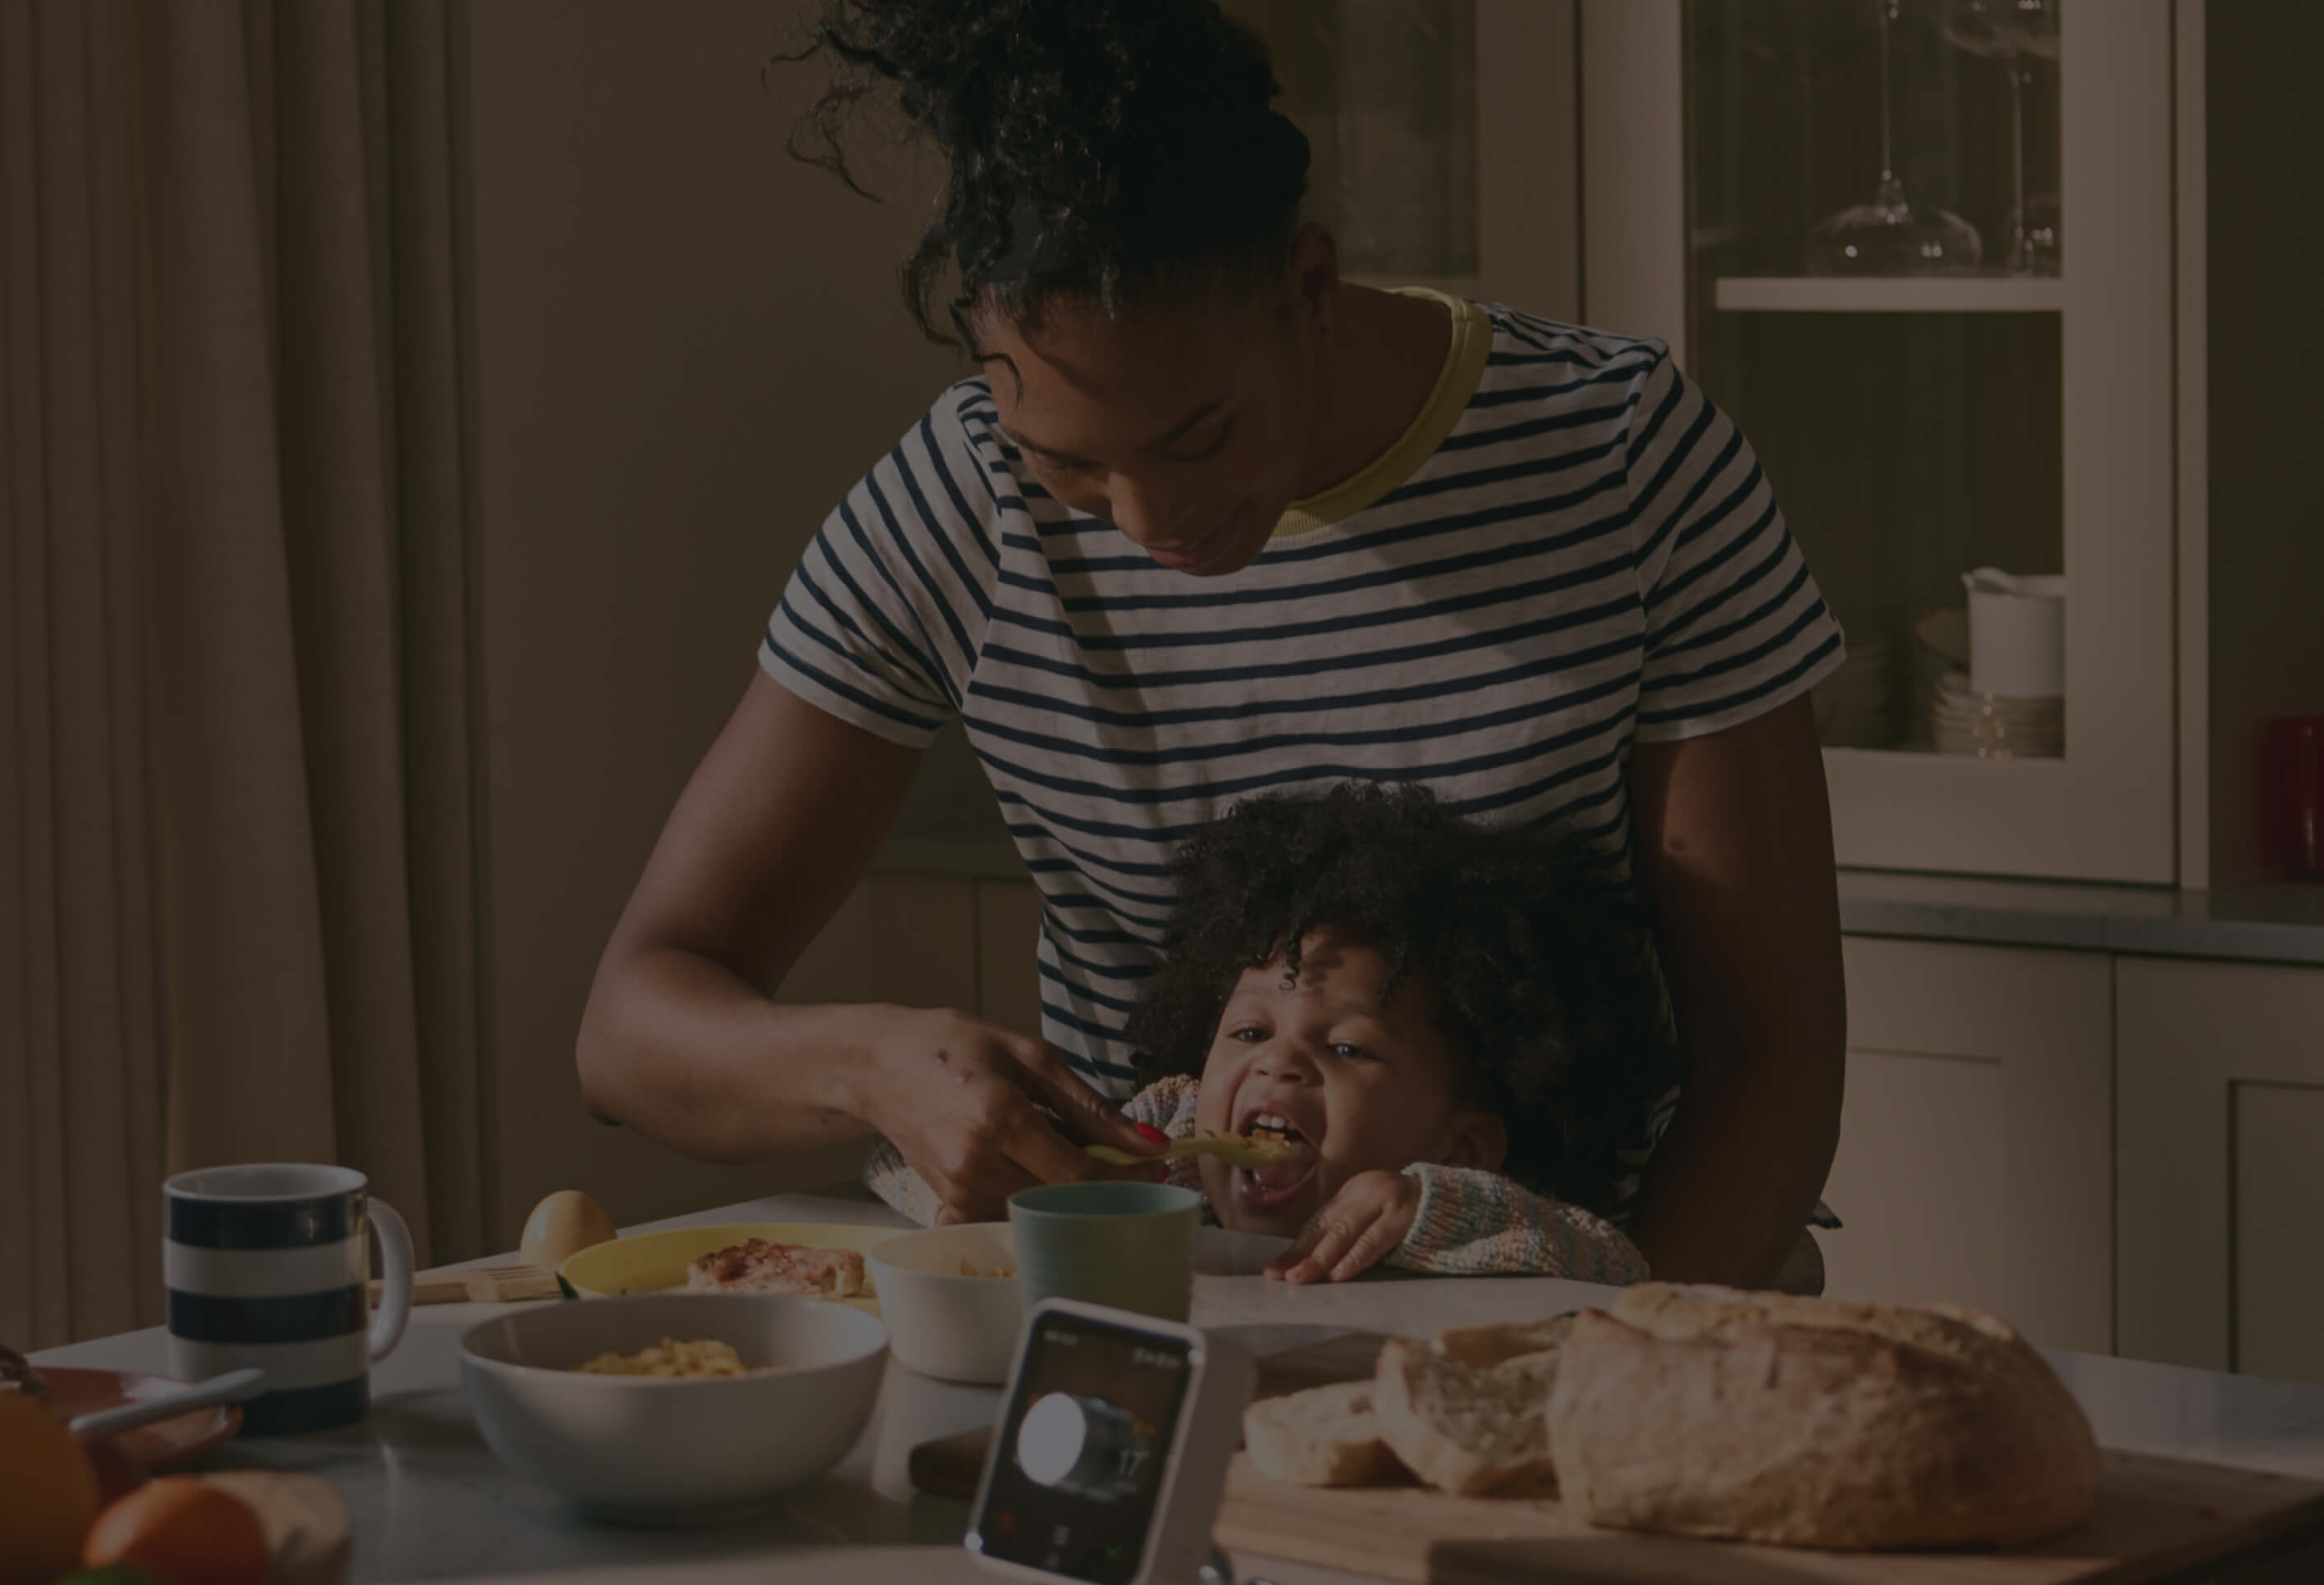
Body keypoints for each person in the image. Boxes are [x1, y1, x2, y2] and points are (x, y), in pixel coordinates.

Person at [576, 0, 1848, 1289]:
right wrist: (866, 1065)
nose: (1150, 524)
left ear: (1310, 284)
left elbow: (1768, 1059)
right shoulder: (962, 500)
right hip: (1159, 1312)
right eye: (1069, 464)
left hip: (1591, 1298)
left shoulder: (1622, 454)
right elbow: (631, 1031)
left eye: (1199, 439)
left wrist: (1614, 1360)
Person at [868, 783, 1672, 1285]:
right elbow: (900, 1166)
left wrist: (1429, 1208)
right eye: (1249, 1028)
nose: (1278, 1060)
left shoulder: (1455, 1210)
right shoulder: (1170, 1152)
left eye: (1348, 1047)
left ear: (1461, 1145)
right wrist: (976, 1192)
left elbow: (1615, 1265)